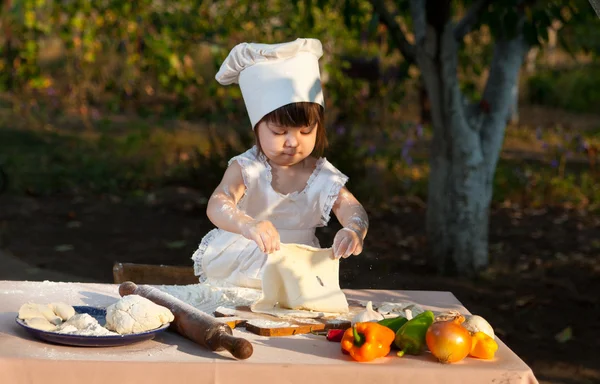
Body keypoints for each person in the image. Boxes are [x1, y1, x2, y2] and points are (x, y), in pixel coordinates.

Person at [191, 38, 369, 289]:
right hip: (243, 263)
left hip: (296, 268)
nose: (292, 142)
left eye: (305, 131)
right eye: (279, 132)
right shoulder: (247, 168)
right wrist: (247, 224)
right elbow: (218, 204)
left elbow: (352, 208)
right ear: (257, 128)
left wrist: (354, 229)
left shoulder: (321, 175)